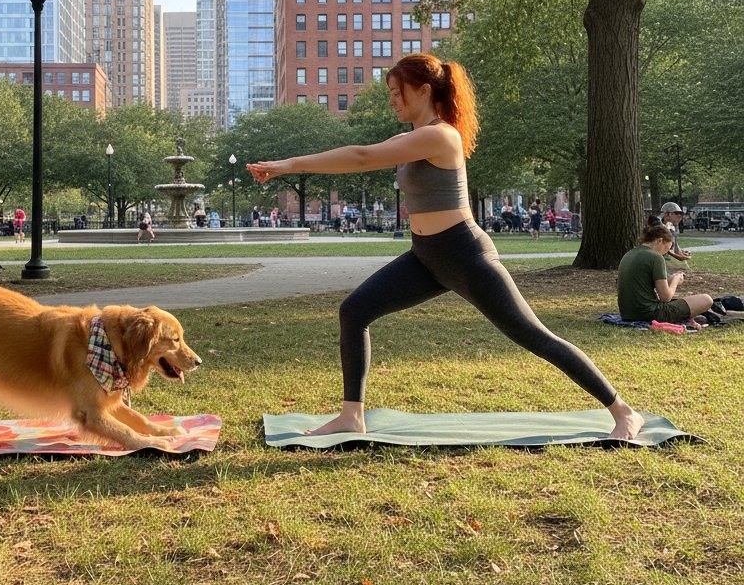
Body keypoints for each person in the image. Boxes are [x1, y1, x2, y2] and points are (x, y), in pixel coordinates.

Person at [247, 52, 644, 442]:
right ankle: (352, 415)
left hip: (464, 254)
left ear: (422, 90)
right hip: (426, 256)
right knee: (354, 311)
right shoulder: (411, 138)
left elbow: (362, 157)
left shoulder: (441, 135)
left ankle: (623, 411)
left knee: (533, 335)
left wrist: (285, 165)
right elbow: (358, 155)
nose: (392, 100)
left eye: (396, 92)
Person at [617, 225, 713, 323]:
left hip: (627, 313)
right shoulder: (656, 257)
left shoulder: (629, 254)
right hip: (649, 314)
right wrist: (676, 280)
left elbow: (643, 285)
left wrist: (669, 280)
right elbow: (666, 297)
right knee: (706, 299)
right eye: (666, 248)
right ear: (660, 241)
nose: (665, 253)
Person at [659, 202, 691, 268]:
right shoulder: (660, 229)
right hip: (660, 261)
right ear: (666, 215)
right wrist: (679, 257)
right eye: (676, 213)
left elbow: (674, 243)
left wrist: (681, 252)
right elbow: (661, 248)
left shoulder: (674, 226)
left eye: (681, 213)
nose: (680, 216)